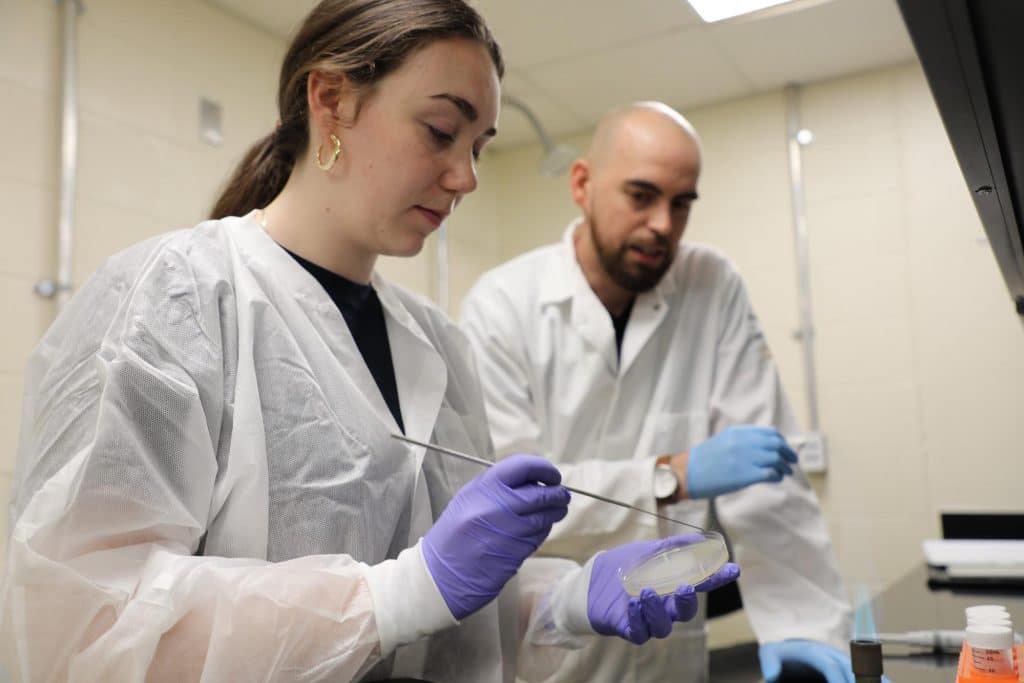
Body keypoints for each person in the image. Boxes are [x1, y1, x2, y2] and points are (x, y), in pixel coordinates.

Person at [0, 7, 739, 682]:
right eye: (441, 132)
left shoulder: (439, 348)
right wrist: (394, 594)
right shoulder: (171, 300)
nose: (467, 177)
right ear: (331, 101)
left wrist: (570, 597)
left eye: (480, 145)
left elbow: (449, 615)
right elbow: (81, 629)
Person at [460, 101, 856, 683]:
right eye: (640, 196)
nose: (663, 225)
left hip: (669, 653)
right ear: (582, 184)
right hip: (545, 649)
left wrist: (803, 628)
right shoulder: (502, 306)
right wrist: (669, 477)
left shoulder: (710, 285)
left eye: (681, 203)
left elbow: (770, 493)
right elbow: (511, 503)